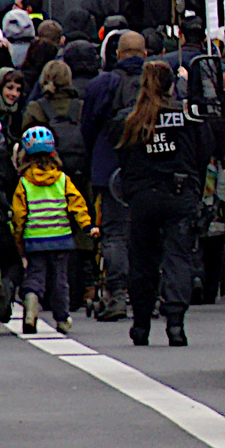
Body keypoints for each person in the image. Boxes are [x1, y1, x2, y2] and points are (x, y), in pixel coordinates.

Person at [114, 61, 215, 347]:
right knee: (178, 258)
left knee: (142, 261)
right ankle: (175, 325)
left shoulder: (129, 119)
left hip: (143, 197)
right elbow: (204, 152)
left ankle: (141, 325)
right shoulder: (187, 118)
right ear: (172, 85)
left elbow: (121, 159)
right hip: (179, 192)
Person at [80, 30, 148, 322]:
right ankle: (148, 293)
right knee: (147, 233)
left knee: (114, 233)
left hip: (110, 166)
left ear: (117, 54)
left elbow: (88, 126)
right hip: (151, 165)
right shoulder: (155, 81)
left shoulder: (102, 84)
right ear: (144, 53)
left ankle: (118, 293)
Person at [11, 126, 97, 334]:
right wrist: (87, 225)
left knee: (36, 274)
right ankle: (62, 318)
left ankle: (31, 300)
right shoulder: (62, 180)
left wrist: (18, 236)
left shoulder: (24, 182)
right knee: (60, 280)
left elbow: (18, 214)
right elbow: (77, 203)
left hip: (35, 238)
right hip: (60, 237)